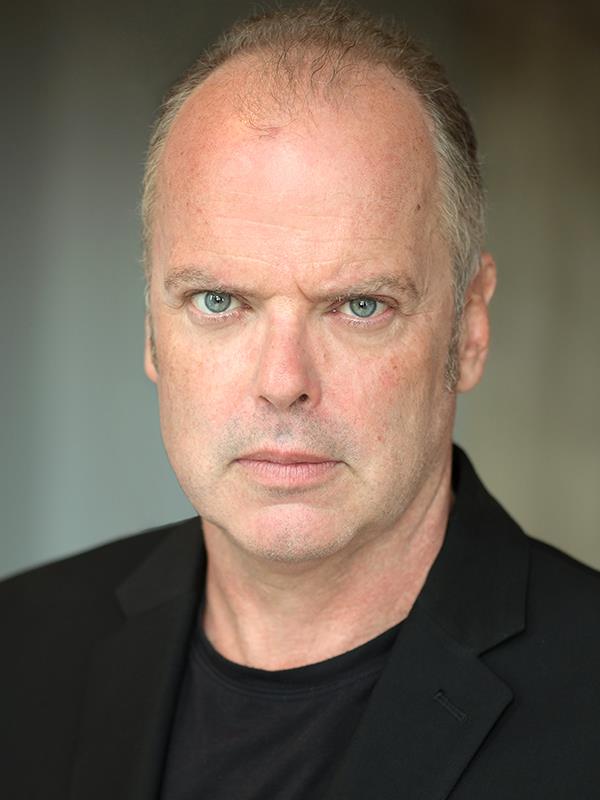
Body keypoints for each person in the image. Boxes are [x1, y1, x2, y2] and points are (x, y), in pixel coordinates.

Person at [2, 4, 599, 799]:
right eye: (219, 301)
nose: (284, 381)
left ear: (471, 327)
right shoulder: (20, 646)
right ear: (151, 329)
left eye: (359, 306)